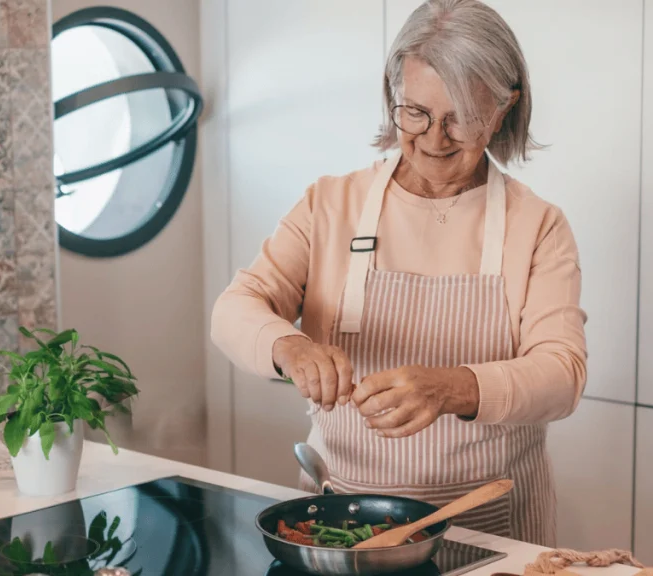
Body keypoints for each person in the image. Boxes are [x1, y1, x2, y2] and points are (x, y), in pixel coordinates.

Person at [211, 0, 586, 547]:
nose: (435, 139)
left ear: (504, 109)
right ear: (393, 95)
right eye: (417, 113)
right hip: (343, 520)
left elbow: (562, 373)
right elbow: (235, 308)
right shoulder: (330, 204)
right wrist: (288, 348)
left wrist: (453, 387)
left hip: (487, 527)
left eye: (462, 117)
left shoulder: (539, 225)